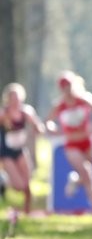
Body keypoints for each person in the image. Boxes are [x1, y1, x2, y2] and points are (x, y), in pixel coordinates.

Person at [45, 71, 92, 215]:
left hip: (86, 142)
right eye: (64, 87)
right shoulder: (59, 105)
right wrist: (58, 132)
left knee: (88, 175)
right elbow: (47, 123)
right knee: (87, 172)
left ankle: (75, 180)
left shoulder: (84, 99)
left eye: (69, 86)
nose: (67, 90)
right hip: (72, 144)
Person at [0, 83, 46, 214]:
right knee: (18, 185)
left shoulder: (26, 112)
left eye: (17, 98)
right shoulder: (4, 113)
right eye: (12, 98)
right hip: (6, 153)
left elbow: (38, 127)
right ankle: (4, 181)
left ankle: (27, 211)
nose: (15, 101)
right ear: (7, 99)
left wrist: (40, 129)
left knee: (27, 184)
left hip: (20, 150)